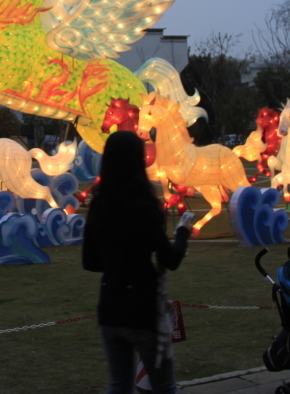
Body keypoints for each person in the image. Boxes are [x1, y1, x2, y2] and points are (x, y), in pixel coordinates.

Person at [83, 130, 191, 394]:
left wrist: (115, 259)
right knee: (164, 385)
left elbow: (90, 261)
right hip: (144, 309)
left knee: (119, 385)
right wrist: (183, 233)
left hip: (110, 306)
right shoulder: (145, 206)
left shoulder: (99, 205)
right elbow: (171, 259)